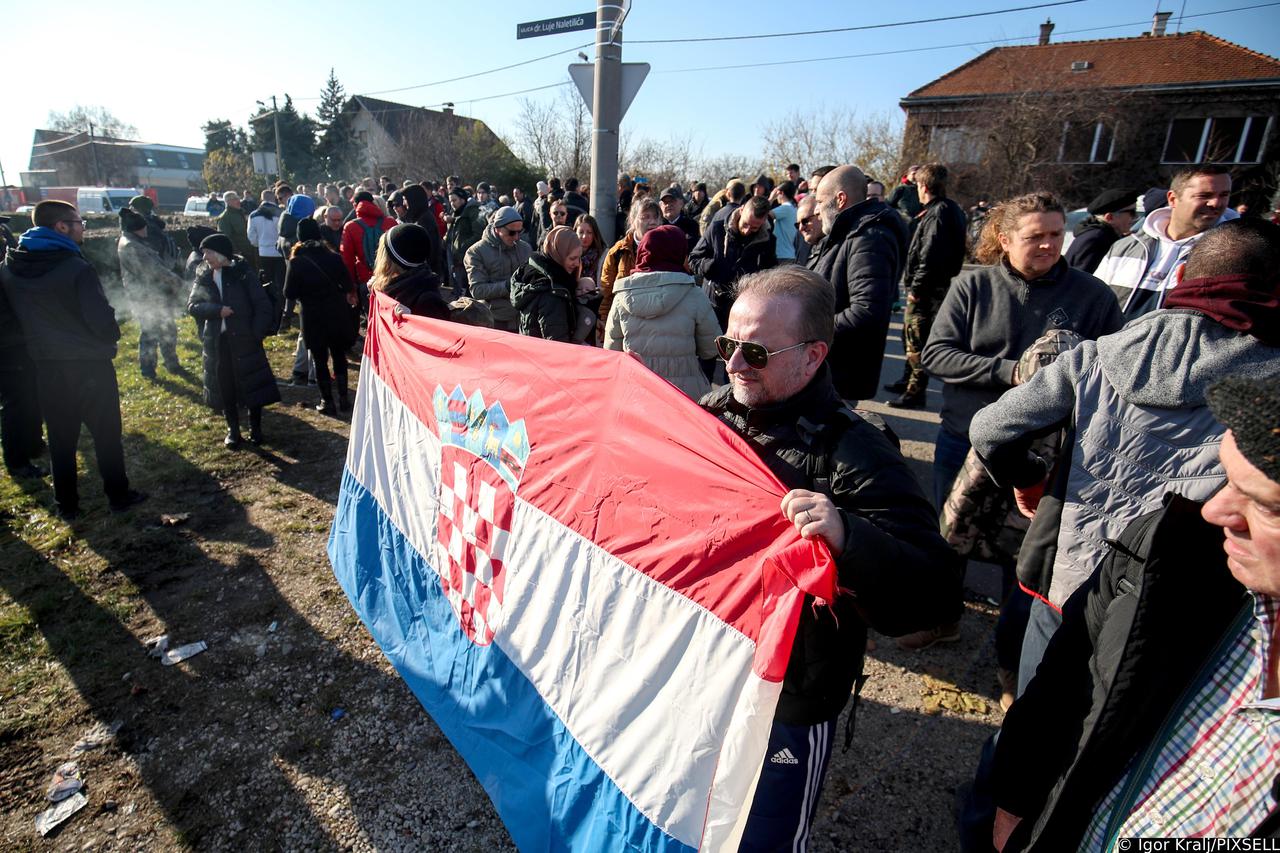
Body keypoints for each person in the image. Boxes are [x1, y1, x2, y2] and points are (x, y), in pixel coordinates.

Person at [700, 266, 962, 850]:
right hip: (709, 665)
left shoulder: (857, 450)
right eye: (726, 346)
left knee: (763, 836)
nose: (735, 365)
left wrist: (849, 536)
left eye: (756, 353)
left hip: (791, 695)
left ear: (814, 355)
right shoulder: (712, 414)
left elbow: (936, 592)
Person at [970, 218, 1280, 687]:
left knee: (1034, 722)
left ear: (1181, 279)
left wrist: (1028, 478)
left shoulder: (1098, 353)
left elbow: (990, 427)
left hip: (1068, 573)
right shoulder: (1272, 382)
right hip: (1176, 606)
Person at [989, 373, 1280, 851]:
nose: (1216, 510)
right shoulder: (1171, 543)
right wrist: (1014, 801)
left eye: (1265, 504)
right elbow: (1063, 676)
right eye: (1228, 478)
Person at [920, 192, 1123, 522]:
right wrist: (1013, 372)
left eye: (1056, 234)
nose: (1048, 245)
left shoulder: (1093, 295)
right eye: (1035, 237)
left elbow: (1114, 369)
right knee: (945, 544)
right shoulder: (972, 287)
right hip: (966, 438)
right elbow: (936, 355)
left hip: (1046, 456)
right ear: (1005, 240)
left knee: (1023, 559)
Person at [0, 200, 145, 518]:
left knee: (60, 436)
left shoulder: (9, 268)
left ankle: (66, 505)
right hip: (89, 364)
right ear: (61, 227)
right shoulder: (76, 267)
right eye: (79, 222)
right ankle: (118, 495)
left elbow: (9, 318)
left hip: (45, 366)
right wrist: (112, 331)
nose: (83, 228)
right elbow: (101, 322)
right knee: (106, 434)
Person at [809, 164, 908, 405]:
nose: (817, 210)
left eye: (821, 202)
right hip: (830, 367)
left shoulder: (869, 238)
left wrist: (810, 328)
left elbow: (867, 310)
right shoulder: (852, 231)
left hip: (840, 373)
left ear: (840, 199)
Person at [1094, 164, 1236, 320]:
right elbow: (1092, 302)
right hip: (1110, 343)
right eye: (1204, 195)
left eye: (1224, 195)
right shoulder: (1125, 246)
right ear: (1173, 199)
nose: (1216, 203)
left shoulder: (1231, 255)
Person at [604, 224, 720, 400]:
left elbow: (612, 352)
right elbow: (711, 349)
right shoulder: (694, 294)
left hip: (636, 391)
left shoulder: (622, 297)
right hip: (686, 395)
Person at [886, 163, 968, 409]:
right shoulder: (945, 210)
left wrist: (916, 290)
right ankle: (907, 380)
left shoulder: (938, 213)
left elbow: (930, 256)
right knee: (910, 336)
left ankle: (915, 392)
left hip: (927, 289)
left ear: (923, 186)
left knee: (917, 340)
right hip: (932, 286)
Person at [188, 233, 280, 448]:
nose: (205, 258)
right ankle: (233, 429)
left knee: (251, 383)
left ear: (221, 254)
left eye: (208, 252)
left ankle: (256, 428)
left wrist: (256, 334)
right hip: (218, 341)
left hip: (245, 339)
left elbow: (262, 305)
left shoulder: (242, 273)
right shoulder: (203, 275)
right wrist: (217, 310)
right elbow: (192, 305)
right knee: (224, 385)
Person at [283, 218, 357, 416]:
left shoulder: (296, 262)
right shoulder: (333, 257)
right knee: (339, 355)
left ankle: (327, 401)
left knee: (319, 358)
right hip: (336, 311)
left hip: (312, 315)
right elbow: (348, 285)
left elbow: (289, 293)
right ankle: (344, 399)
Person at [690, 195, 777, 336]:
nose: (747, 230)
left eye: (754, 228)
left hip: (745, 307)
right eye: (745, 224)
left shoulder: (767, 241)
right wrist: (708, 266)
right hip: (713, 303)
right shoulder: (718, 229)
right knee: (708, 352)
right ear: (741, 210)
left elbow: (771, 273)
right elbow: (694, 258)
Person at [117, 207, 185, 379]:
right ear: (137, 229)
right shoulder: (132, 246)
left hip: (153, 294)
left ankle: (171, 362)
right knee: (151, 332)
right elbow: (154, 271)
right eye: (144, 227)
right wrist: (178, 281)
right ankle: (148, 369)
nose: (146, 230)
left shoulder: (132, 241)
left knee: (166, 328)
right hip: (146, 296)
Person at [510, 226, 590, 342]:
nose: (577, 264)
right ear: (558, 255)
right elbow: (558, 343)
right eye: (572, 258)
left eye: (579, 258)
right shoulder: (552, 291)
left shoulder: (535, 275)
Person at [465, 206, 531, 333]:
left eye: (520, 231)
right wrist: (508, 286)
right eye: (512, 232)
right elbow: (477, 290)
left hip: (525, 318)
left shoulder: (525, 248)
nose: (516, 237)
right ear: (497, 229)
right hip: (496, 321)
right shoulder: (476, 252)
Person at [599, 199, 661, 331]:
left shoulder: (671, 249)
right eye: (646, 217)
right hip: (626, 324)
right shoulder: (618, 252)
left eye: (656, 217)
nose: (652, 222)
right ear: (633, 220)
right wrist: (604, 320)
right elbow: (607, 292)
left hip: (660, 323)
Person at [368, 223, 451, 320]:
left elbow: (437, 332)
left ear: (389, 260)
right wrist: (374, 294)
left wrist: (410, 321)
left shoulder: (427, 300)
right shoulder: (393, 287)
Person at [1062, 189, 1136, 274]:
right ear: (1110, 217)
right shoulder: (1097, 240)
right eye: (1132, 213)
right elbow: (1082, 280)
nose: (1135, 217)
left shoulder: (1103, 236)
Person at [342, 192, 398, 298]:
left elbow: (347, 260)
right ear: (373, 203)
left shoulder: (350, 226)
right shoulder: (390, 222)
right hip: (392, 279)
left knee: (371, 312)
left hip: (366, 281)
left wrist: (351, 288)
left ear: (355, 205)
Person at [399, 184, 449, 283]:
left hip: (426, 274)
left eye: (405, 199)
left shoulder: (424, 220)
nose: (404, 203)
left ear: (413, 200)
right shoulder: (419, 217)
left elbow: (430, 251)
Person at [445, 188, 483, 296]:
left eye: (454, 200)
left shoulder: (472, 211)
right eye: (450, 201)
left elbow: (478, 234)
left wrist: (463, 247)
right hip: (457, 258)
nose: (452, 204)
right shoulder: (457, 212)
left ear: (462, 200)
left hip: (468, 257)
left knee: (467, 290)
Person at [216, 190, 256, 268]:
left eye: (237, 198)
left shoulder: (241, 213)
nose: (238, 201)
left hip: (250, 251)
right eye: (234, 199)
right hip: (239, 255)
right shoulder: (224, 218)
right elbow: (226, 238)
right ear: (228, 202)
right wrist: (237, 253)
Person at [659, 186, 700, 254]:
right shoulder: (656, 226)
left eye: (672, 201)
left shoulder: (691, 225)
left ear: (681, 203)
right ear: (660, 206)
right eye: (665, 202)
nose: (668, 205)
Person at [770, 181, 799, 263]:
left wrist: (771, 199)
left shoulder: (786, 208)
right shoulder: (793, 207)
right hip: (789, 254)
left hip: (782, 255)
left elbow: (761, 214)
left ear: (781, 193)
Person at [794, 194, 823, 268]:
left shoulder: (839, 247)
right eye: (797, 224)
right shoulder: (802, 242)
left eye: (805, 221)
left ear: (821, 215)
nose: (801, 228)